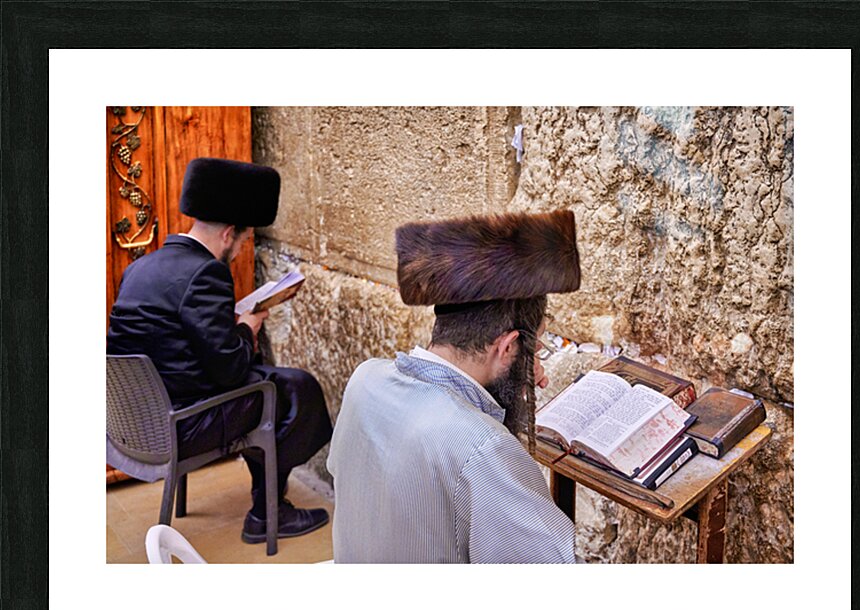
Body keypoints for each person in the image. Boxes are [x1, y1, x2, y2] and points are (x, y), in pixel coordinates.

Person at [326, 210, 582, 563]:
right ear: (507, 347)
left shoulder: (364, 380)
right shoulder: (483, 447)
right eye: (534, 350)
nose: (539, 372)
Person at [107, 157, 333, 544]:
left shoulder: (142, 267)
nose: (241, 249)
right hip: (181, 425)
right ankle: (267, 513)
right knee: (296, 389)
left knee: (273, 386)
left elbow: (170, 340)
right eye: (244, 240)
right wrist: (247, 327)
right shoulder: (206, 272)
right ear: (229, 234)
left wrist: (231, 325)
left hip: (133, 426)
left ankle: (267, 501)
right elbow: (230, 371)